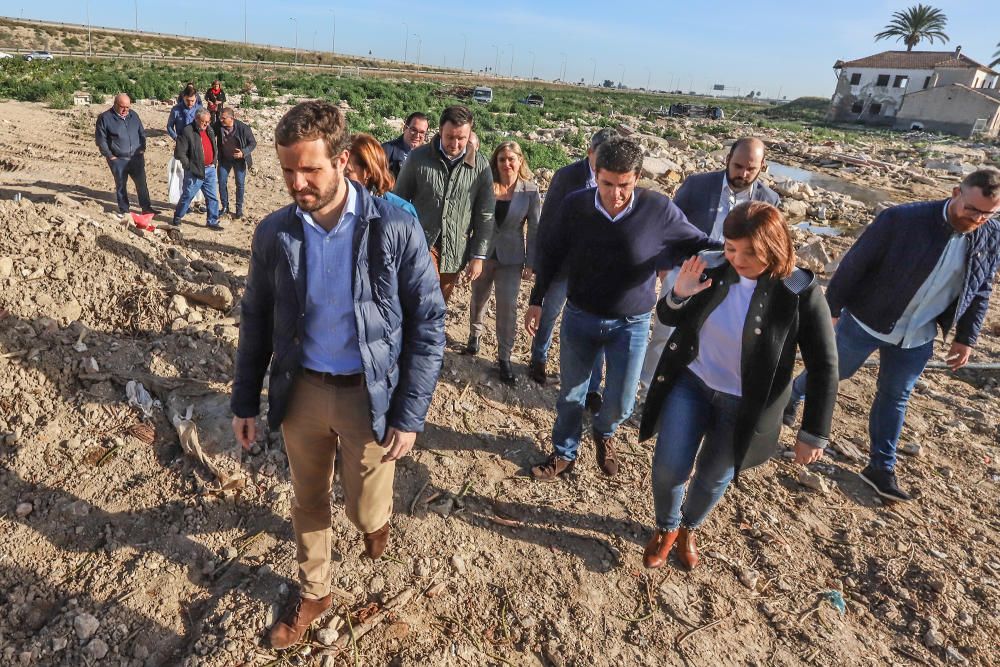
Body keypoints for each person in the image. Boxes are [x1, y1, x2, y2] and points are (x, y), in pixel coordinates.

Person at [230, 101, 445, 649]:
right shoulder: (274, 232)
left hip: (368, 396)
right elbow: (255, 317)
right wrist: (244, 402)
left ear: (343, 160)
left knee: (363, 504)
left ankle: (375, 525)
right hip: (301, 391)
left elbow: (428, 321)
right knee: (307, 499)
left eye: (310, 170)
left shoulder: (394, 226)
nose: (297, 183)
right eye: (287, 171)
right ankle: (315, 592)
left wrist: (409, 413)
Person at [639, 202, 838, 570]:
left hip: (746, 405)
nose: (738, 259)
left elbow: (824, 365)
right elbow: (667, 316)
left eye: (750, 251)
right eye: (731, 248)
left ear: (775, 244)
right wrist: (679, 292)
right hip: (692, 385)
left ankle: (689, 527)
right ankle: (666, 527)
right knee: (670, 466)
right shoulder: (711, 266)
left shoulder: (800, 292)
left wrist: (814, 432)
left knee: (714, 477)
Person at [785, 168, 1000, 502]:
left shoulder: (990, 234)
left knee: (895, 396)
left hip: (919, 335)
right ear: (957, 192)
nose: (977, 219)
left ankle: (880, 467)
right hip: (868, 320)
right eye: (972, 209)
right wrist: (832, 310)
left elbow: (981, 287)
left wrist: (966, 338)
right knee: (832, 372)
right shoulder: (902, 219)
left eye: (988, 214)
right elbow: (856, 263)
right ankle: (792, 396)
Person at [525, 137, 716, 480]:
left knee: (623, 401)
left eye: (624, 185)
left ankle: (604, 431)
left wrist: (745, 254)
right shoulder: (576, 205)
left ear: (637, 177)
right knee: (571, 394)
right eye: (607, 183)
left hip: (631, 323)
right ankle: (564, 452)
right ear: (595, 173)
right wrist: (537, 300)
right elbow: (551, 253)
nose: (615, 194)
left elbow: (699, 243)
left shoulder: (658, 209)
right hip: (580, 316)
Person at [637, 138, 780, 405]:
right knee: (665, 334)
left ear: (763, 167)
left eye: (751, 169)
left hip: (732, 281)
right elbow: (670, 225)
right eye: (738, 166)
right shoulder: (698, 185)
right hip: (688, 270)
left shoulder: (768, 201)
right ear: (727, 159)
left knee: (710, 338)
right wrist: (666, 268)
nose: (743, 174)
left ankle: (690, 392)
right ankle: (648, 390)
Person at [527, 128, 619, 416]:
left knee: (597, 327)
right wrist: (543, 263)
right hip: (565, 263)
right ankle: (538, 358)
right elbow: (550, 223)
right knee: (550, 312)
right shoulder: (567, 176)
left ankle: (593, 387)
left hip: (597, 270)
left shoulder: (618, 180)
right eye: (600, 156)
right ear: (590, 152)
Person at [393, 105, 495, 302]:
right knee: (424, 296)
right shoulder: (418, 158)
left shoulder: (480, 166)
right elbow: (399, 201)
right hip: (421, 243)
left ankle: (431, 332)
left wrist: (478, 256)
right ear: (440, 131)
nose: (455, 144)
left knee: (440, 302)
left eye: (461, 138)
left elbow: (485, 213)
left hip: (456, 249)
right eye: (450, 137)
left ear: (470, 134)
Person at [466, 140, 540, 385]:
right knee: (478, 297)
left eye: (511, 159)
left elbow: (535, 229)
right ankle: (474, 335)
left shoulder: (530, 190)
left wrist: (531, 262)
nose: (507, 164)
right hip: (483, 253)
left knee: (507, 307)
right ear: (495, 162)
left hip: (512, 257)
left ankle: (504, 357)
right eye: (502, 159)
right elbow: (472, 218)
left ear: (520, 161)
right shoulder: (485, 185)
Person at [94, 93, 155, 215]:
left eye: (128, 107)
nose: (125, 110)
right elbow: (101, 140)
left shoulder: (133, 115)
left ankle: (146, 208)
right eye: (122, 107)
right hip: (118, 160)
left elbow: (141, 133)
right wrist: (110, 156)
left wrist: (142, 148)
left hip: (136, 158)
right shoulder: (105, 118)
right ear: (115, 104)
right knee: (121, 186)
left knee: (142, 184)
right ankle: (124, 210)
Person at [345, 133, 418, 218]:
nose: (340, 178)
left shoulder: (401, 211)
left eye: (347, 172)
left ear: (368, 172)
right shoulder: (336, 206)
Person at [171, 109, 221, 229]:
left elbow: (213, 145)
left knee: (212, 196)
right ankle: (178, 216)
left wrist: (214, 161)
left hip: (210, 169)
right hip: (195, 171)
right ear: (196, 119)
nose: (206, 124)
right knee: (188, 195)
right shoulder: (187, 131)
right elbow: (179, 153)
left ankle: (212, 221)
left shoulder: (209, 129)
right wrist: (189, 166)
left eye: (208, 122)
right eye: (204, 122)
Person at [217, 108, 257, 219]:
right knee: (221, 182)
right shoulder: (219, 125)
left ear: (232, 118)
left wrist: (243, 152)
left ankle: (239, 209)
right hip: (224, 159)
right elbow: (208, 131)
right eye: (221, 117)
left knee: (240, 184)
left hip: (239, 160)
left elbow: (253, 143)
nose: (221, 120)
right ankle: (225, 207)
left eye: (224, 118)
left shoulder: (243, 128)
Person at [381, 111, 428, 177]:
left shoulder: (428, 156)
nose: (417, 136)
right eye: (414, 130)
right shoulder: (385, 151)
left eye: (422, 132)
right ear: (405, 128)